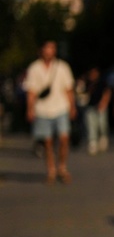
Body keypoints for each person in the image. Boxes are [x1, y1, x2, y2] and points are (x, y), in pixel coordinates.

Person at [24, 41, 77, 183]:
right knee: (48, 142)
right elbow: (31, 91)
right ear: (41, 50)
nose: (49, 51)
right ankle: (51, 170)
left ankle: (62, 167)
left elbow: (69, 89)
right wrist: (29, 109)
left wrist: (72, 106)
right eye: (47, 48)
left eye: (52, 48)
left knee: (64, 138)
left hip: (61, 107)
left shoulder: (62, 67)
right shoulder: (34, 68)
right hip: (42, 109)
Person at [82, 67, 112, 155]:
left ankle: (103, 137)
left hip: (101, 106)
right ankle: (93, 143)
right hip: (90, 106)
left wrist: (104, 103)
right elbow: (83, 94)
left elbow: (107, 92)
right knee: (91, 125)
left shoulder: (102, 82)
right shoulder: (87, 83)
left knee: (102, 124)